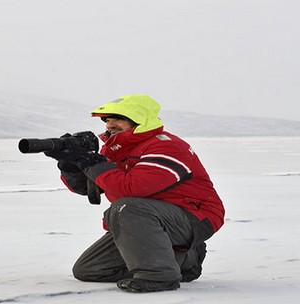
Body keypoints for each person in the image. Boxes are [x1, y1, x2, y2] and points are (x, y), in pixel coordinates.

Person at [45, 94, 225, 293]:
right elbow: (90, 188)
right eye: (107, 120)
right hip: (147, 218)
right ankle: (184, 260)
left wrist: (91, 162)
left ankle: (159, 276)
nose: (110, 124)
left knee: (127, 207)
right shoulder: (116, 149)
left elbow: (131, 188)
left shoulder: (166, 146)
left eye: (118, 119)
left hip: (194, 216)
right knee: (89, 270)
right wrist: (71, 164)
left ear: (140, 120)